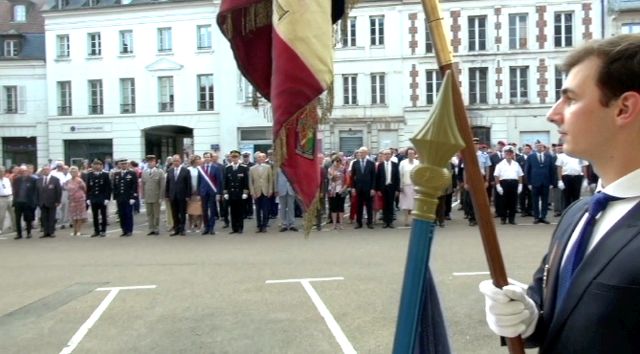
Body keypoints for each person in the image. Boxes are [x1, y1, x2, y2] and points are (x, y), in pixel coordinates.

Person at [480, 34, 640, 353]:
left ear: (624, 108)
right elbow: (560, 318)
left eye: (570, 98)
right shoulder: (577, 214)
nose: (553, 114)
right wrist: (529, 319)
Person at [525, 142, 556, 224]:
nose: (539, 148)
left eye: (541, 146)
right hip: (534, 182)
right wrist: (528, 183)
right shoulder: (531, 156)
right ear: (535, 147)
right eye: (538, 146)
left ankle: (543, 216)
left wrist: (552, 183)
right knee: (535, 200)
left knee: (545, 200)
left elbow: (552, 170)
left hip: (546, 182)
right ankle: (536, 217)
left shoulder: (549, 156)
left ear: (544, 148)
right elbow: (527, 170)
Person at [493, 146, 523, 225]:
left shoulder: (516, 164)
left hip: (514, 183)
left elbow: (520, 175)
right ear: (504, 154)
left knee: (513, 202)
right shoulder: (500, 164)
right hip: (504, 183)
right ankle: (503, 219)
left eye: (510, 153)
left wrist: (520, 185)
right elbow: (496, 176)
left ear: (512, 154)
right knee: (503, 202)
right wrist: (498, 186)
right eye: (507, 153)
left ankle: (511, 219)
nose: (508, 154)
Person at [223, 150, 249, 234]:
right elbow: (225, 181)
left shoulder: (243, 168)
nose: (234, 159)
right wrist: (225, 193)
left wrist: (245, 192)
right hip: (231, 193)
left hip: (240, 193)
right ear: (230, 158)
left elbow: (246, 181)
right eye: (232, 157)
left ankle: (240, 227)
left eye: (236, 157)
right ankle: (234, 228)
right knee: (232, 211)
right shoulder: (227, 168)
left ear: (239, 157)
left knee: (240, 211)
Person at [166, 154, 191, 236]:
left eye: (177, 161)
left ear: (180, 161)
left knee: (182, 213)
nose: (175, 162)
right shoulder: (170, 171)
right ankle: (176, 229)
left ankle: (182, 229)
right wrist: (167, 195)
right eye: (174, 161)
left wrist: (188, 195)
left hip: (182, 196)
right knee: (174, 213)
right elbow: (168, 184)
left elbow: (188, 184)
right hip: (172, 196)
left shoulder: (186, 171)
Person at [350, 147, 376, 229]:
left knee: (369, 206)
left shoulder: (371, 163)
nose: (360, 154)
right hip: (358, 188)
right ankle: (359, 223)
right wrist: (353, 188)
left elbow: (373, 177)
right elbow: (352, 177)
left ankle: (370, 222)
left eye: (362, 152)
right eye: (359, 152)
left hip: (368, 189)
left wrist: (373, 188)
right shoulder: (355, 163)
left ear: (366, 153)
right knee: (359, 206)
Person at [198, 152, 223, 235]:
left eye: (208, 157)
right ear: (204, 158)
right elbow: (199, 181)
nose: (207, 158)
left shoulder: (216, 168)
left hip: (213, 191)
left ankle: (212, 228)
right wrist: (199, 192)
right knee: (204, 210)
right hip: (203, 192)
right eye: (205, 157)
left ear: (211, 158)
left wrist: (219, 193)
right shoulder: (200, 168)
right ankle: (206, 227)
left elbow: (219, 181)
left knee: (212, 210)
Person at [249, 152, 273, 233]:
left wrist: (270, 190)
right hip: (256, 192)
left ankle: (264, 225)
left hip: (265, 191)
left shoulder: (268, 167)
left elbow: (270, 180)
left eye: (263, 157)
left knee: (265, 209)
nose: (261, 158)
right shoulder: (252, 168)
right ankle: (259, 225)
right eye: (259, 157)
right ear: (256, 158)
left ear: (265, 158)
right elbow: (250, 182)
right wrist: (252, 192)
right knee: (258, 210)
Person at [112, 159, 138, 237]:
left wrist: (133, 197)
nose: (123, 165)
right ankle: (124, 230)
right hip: (120, 198)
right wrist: (115, 197)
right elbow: (115, 186)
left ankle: (129, 230)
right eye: (122, 164)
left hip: (128, 197)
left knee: (128, 214)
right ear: (120, 165)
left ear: (127, 165)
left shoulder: (132, 173)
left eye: (125, 164)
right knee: (121, 214)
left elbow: (134, 185)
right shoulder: (116, 174)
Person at [375, 149, 400, 228]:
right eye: (385, 154)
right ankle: (385, 222)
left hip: (392, 187)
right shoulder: (380, 165)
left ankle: (391, 221)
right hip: (383, 188)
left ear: (391, 155)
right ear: (383, 155)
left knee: (391, 204)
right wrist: (378, 189)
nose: (387, 155)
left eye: (388, 154)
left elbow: (397, 178)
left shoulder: (395, 164)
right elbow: (377, 178)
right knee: (385, 205)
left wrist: (397, 189)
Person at [141, 155, 165, 236]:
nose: (150, 163)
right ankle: (150, 228)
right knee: (149, 213)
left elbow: (162, 186)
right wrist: (143, 197)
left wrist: (161, 197)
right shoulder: (144, 172)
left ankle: (156, 228)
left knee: (156, 214)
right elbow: (143, 185)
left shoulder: (160, 172)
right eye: (149, 161)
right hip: (148, 196)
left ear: (155, 162)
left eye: (152, 161)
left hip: (156, 196)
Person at [86, 159, 111, 237]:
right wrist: (88, 198)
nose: (96, 166)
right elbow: (88, 188)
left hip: (102, 198)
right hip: (93, 197)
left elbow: (108, 187)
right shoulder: (89, 175)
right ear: (92, 166)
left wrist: (107, 198)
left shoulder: (105, 175)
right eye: (95, 165)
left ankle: (103, 230)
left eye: (98, 165)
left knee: (103, 215)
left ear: (101, 166)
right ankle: (96, 231)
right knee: (95, 215)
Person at [36, 165, 62, 238]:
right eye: (44, 170)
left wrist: (58, 201)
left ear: (50, 170)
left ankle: (51, 232)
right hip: (42, 202)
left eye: (47, 170)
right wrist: (37, 201)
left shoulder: (55, 179)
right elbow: (37, 191)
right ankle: (45, 232)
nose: (45, 171)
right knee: (44, 218)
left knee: (51, 217)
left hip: (52, 201)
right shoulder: (39, 180)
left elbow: (58, 191)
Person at [11, 166, 37, 239]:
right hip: (18, 202)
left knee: (28, 219)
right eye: (22, 171)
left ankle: (29, 233)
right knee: (17, 219)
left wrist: (34, 202)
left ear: (27, 171)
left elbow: (35, 192)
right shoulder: (16, 180)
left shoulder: (33, 180)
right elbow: (14, 191)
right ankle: (19, 234)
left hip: (27, 202)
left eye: (25, 171)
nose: (23, 172)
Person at [398, 147, 418, 226]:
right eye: (409, 153)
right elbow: (400, 175)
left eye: (412, 153)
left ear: (414, 154)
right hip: (406, 185)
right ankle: (406, 220)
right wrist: (401, 186)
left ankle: (414, 220)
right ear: (407, 154)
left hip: (415, 186)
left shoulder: (418, 162)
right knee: (406, 204)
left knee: (414, 203)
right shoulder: (403, 163)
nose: (411, 155)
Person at [65, 166, 87, 236]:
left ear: (77, 172)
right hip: (72, 200)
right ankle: (74, 230)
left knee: (80, 216)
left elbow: (84, 188)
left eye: (74, 172)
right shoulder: (68, 181)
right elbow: (65, 188)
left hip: (80, 199)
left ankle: (78, 230)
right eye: (71, 172)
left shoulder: (80, 180)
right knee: (73, 216)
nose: (73, 173)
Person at [327, 156, 347, 230]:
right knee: (333, 208)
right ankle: (334, 225)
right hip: (332, 191)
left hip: (341, 190)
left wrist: (344, 188)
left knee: (341, 207)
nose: (337, 162)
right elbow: (331, 178)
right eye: (336, 161)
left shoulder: (343, 169)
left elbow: (347, 180)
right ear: (333, 162)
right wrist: (334, 171)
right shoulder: (330, 169)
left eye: (339, 161)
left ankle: (341, 224)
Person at [186, 155, 203, 233]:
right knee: (190, 210)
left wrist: (198, 190)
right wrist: (190, 190)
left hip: (199, 192)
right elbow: (186, 181)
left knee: (199, 210)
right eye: (195, 160)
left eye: (198, 160)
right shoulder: (188, 169)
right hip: (191, 192)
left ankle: (199, 226)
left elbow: (202, 182)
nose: (197, 161)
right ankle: (190, 225)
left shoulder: (201, 169)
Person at [0, 167, 15, 234]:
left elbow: (10, 187)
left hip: (9, 197)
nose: (2, 172)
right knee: (1, 215)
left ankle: (15, 227)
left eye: (3, 171)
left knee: (13, 214)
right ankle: (0, 228)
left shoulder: (7, 179)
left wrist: (12, 196)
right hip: (1, 198)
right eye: (0, 171)